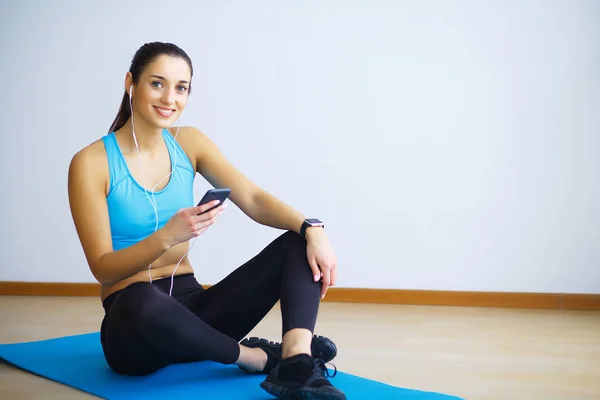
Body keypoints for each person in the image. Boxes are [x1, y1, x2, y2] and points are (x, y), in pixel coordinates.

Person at [67, 41, 346, 400]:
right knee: (142, 298)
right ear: (130, 82)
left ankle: (295, 361)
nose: (170, 98)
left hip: (197, 312)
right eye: (157, 83)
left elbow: (254, 198)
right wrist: (167, 237)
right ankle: (256, 357)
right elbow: (103, 269)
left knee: (296, 241)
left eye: (181, 88)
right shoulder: (91, 163)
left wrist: (313, 228)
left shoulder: (190, 143)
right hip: (135, 330)